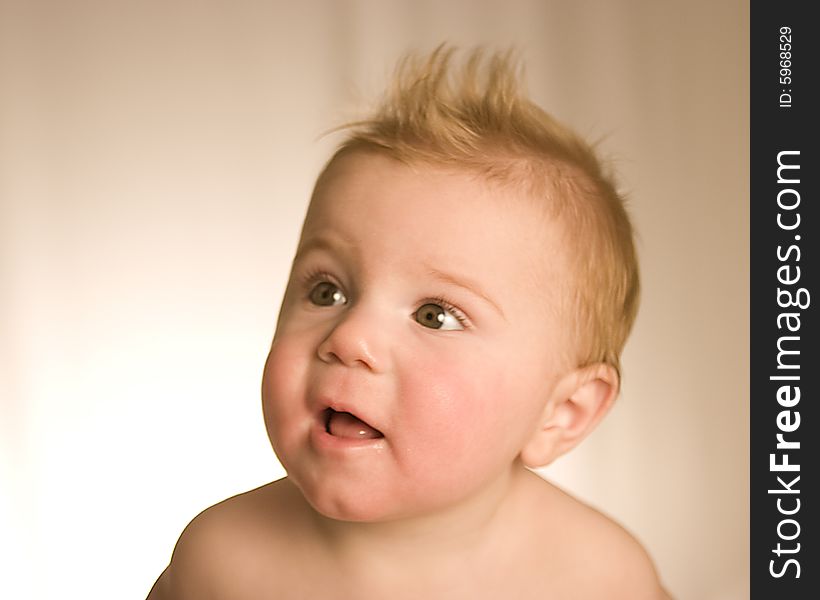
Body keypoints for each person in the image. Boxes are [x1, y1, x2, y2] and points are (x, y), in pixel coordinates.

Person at [147, 45, 669, 599]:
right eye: (328, 290)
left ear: (560, 414)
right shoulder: (222, 559)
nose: (348, 339)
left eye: (434, 316)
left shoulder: (598, 579)